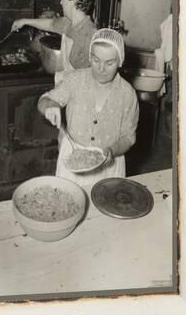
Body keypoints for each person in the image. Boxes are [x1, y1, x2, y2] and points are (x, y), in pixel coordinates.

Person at [37, 28, 139, 192]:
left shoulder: (127, 94)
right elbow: (44, 100)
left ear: (120, 61)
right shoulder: (75, 80)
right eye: (96, 60)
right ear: (90, 57)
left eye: (109, 63)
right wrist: (50, 107)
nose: (101, 68)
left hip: (108, 165)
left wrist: (111, 152)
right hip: (73, 159)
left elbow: (128, 136)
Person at [11, 0, 97, 84]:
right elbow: (51, 24)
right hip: (67, 85)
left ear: (73, 1)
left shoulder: (89, 35)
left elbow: (85, 80)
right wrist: (24, 21)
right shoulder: (68, 22)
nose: (61, 2)